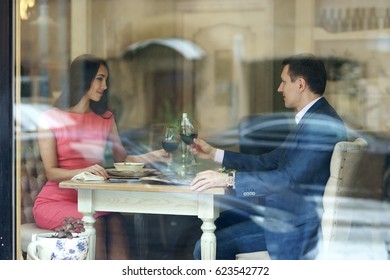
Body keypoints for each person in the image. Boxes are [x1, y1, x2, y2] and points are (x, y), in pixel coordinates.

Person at [190, 53, 348, 260]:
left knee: (205, 246)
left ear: (300, 84)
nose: (279, 88)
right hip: (287, 214)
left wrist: (228, 179)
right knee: (214, 222)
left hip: (295, 227)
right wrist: (214, 153)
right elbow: (268, 162)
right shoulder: (315, 118)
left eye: (283, 82)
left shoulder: (319, 126)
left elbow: (288, 179)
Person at [33, 54, 169, 260]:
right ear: (83, 78)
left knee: (116, 222)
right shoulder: (51, 118)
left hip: (93, 200)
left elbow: (122, 160)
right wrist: (83, 171)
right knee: (96, 223)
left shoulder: (105, 118)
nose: (104, 86)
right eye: (99, 78)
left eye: (106, 80)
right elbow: (51, 172)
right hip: (55, 201)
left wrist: (156, 155)